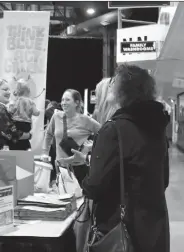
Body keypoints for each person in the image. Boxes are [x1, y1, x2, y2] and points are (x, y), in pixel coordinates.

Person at [65, 64, 170, 252]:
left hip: (121, 231)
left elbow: (95, 187)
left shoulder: (113, 129)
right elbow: (164, 179)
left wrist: (84, 167)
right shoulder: (158, 129)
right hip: (155, 227)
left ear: (122, 91)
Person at [42, 89, 101, 185]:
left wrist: (91, 147)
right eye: (62, 100)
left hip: (79, 168)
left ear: (76, 103)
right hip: (61, 167)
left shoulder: (86, 120)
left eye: (67, 100)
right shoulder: (56, 116)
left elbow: (105, 134)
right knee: (63, 197)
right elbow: (48, 134)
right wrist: (45, 152)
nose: (63, 103)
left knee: (80, 198)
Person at [0, 78, 32, 150]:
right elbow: (11, 134)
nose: (9, 92)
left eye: (9, 90)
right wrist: (29, 135)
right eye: (5, 90)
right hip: (1, 153)